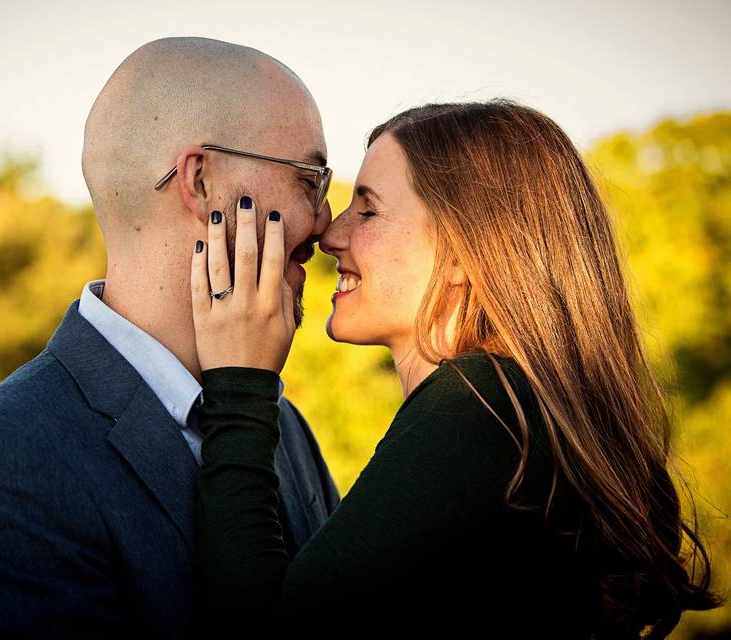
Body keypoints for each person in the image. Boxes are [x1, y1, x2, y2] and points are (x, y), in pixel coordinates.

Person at [189, 99, 726, 639]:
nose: (332, 236)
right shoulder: (511, 407)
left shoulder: (480, 406)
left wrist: (240, 384)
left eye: (368, 211)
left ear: (464, 252)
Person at [0, 37, 341, 638]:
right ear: (201, 182)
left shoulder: (280, 423)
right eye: (310, 180)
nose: (325, 225)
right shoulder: (6, 461)